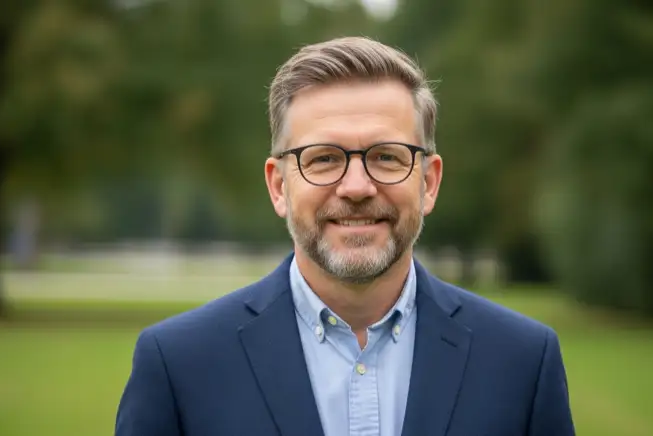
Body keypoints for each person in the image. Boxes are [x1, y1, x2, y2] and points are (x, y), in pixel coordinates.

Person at [115, 36, 575, 436]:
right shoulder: (178, 365)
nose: (356, 187)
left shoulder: (522, 363)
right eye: (324, 159)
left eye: (387, 157)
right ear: (279, 186)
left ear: (429, 182)